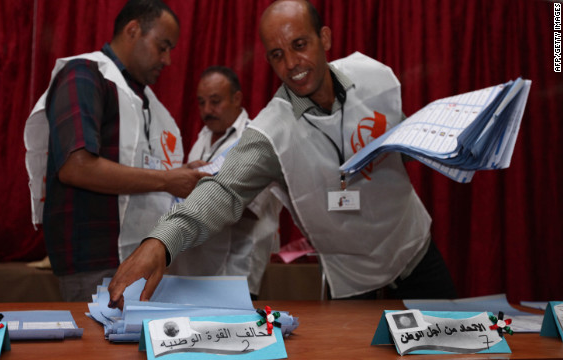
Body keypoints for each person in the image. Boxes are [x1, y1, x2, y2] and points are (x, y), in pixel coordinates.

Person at [108, 0, 457, 307]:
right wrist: (160, 242)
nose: (291, 63)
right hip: (353, 284)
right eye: (277, 55)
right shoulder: (271, 131)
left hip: (417, 255)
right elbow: (221, 190)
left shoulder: (374, 76)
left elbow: (407, 145)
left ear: (326, 38)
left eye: (300, 44)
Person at [24, 0, 208, 301]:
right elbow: (76, 166)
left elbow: (140, 165)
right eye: (162, 46)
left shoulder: (144, 99)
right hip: (95, 259)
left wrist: (178, 175)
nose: (168, 60)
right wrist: (167, 180)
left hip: (140, 255)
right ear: (133, 30)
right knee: (101, 347)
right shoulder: (85, 74)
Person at [166, 66, 283, 297]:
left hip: (234, 268)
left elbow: (248, 208)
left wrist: (198, 190)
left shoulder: (254, 138)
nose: (206, 110)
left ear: (237, 98)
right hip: (194, 267)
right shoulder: (203, 136)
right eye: (201, 102)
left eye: (215, 101)